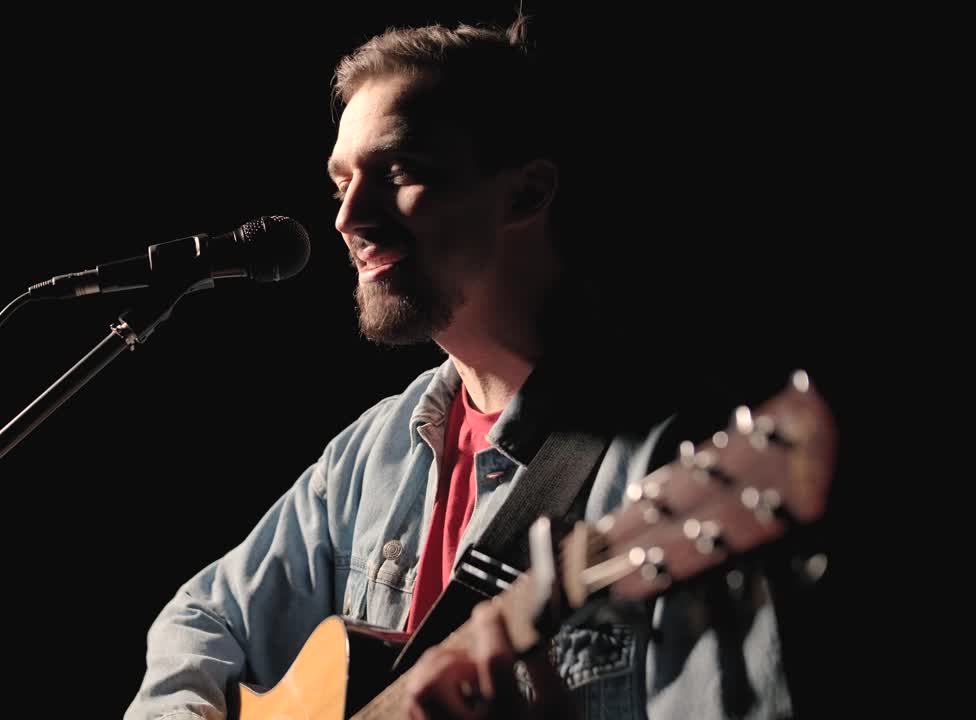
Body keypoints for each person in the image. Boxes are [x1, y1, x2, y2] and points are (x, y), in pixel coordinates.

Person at [126, 14, 815, 720]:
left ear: (526, 193)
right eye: (341, 185)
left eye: (398, 173)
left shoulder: (674, 460)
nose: (347, 218)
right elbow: (201, 620)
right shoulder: (371, 455)